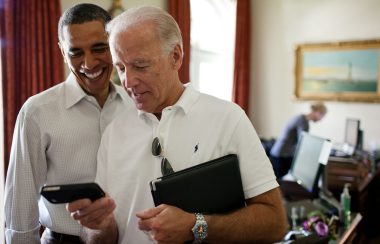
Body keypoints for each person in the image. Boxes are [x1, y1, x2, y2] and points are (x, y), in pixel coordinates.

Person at [66, 6, 288, 244]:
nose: (128, 82)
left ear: (176, 56)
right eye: (121, 68)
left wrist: (197, 226)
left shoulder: (228, 118)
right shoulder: (113, 133)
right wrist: (99, 227)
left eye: (140, 65)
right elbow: (102, 237)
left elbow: (275, 223)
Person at [4, 3, 132, 243]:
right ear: (62, 51)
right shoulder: (37, 112)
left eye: (99, 48)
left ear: (114, 45)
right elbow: (20, 206)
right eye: (76, 53)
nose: (89, 63)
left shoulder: (137, 106)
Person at [270, 102, 327, 178]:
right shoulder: (302, 122)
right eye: (322, 115)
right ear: (316, 111)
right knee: (280, 182)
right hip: (281, 156)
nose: (321, 119)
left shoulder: (302, 119)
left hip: (283, 154)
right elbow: (303, 143)